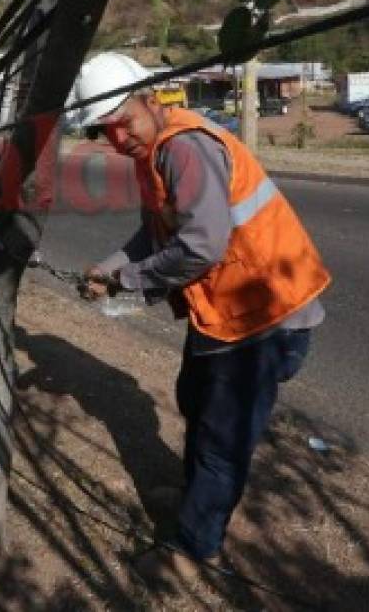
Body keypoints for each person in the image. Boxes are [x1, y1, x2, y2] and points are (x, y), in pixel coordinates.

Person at [73, 53, 330, 586]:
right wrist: (112, 267)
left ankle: (194, 549)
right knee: (194, 398)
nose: (118, 140)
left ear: (149, 98)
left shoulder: (186, 149)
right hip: (225, 314)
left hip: (267, 316)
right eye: (105, 131)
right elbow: (156, 236)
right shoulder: (154, 153)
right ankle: (197, 496)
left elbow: (201, 246)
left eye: (123, 124)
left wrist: (128, 280)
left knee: (221, 440)